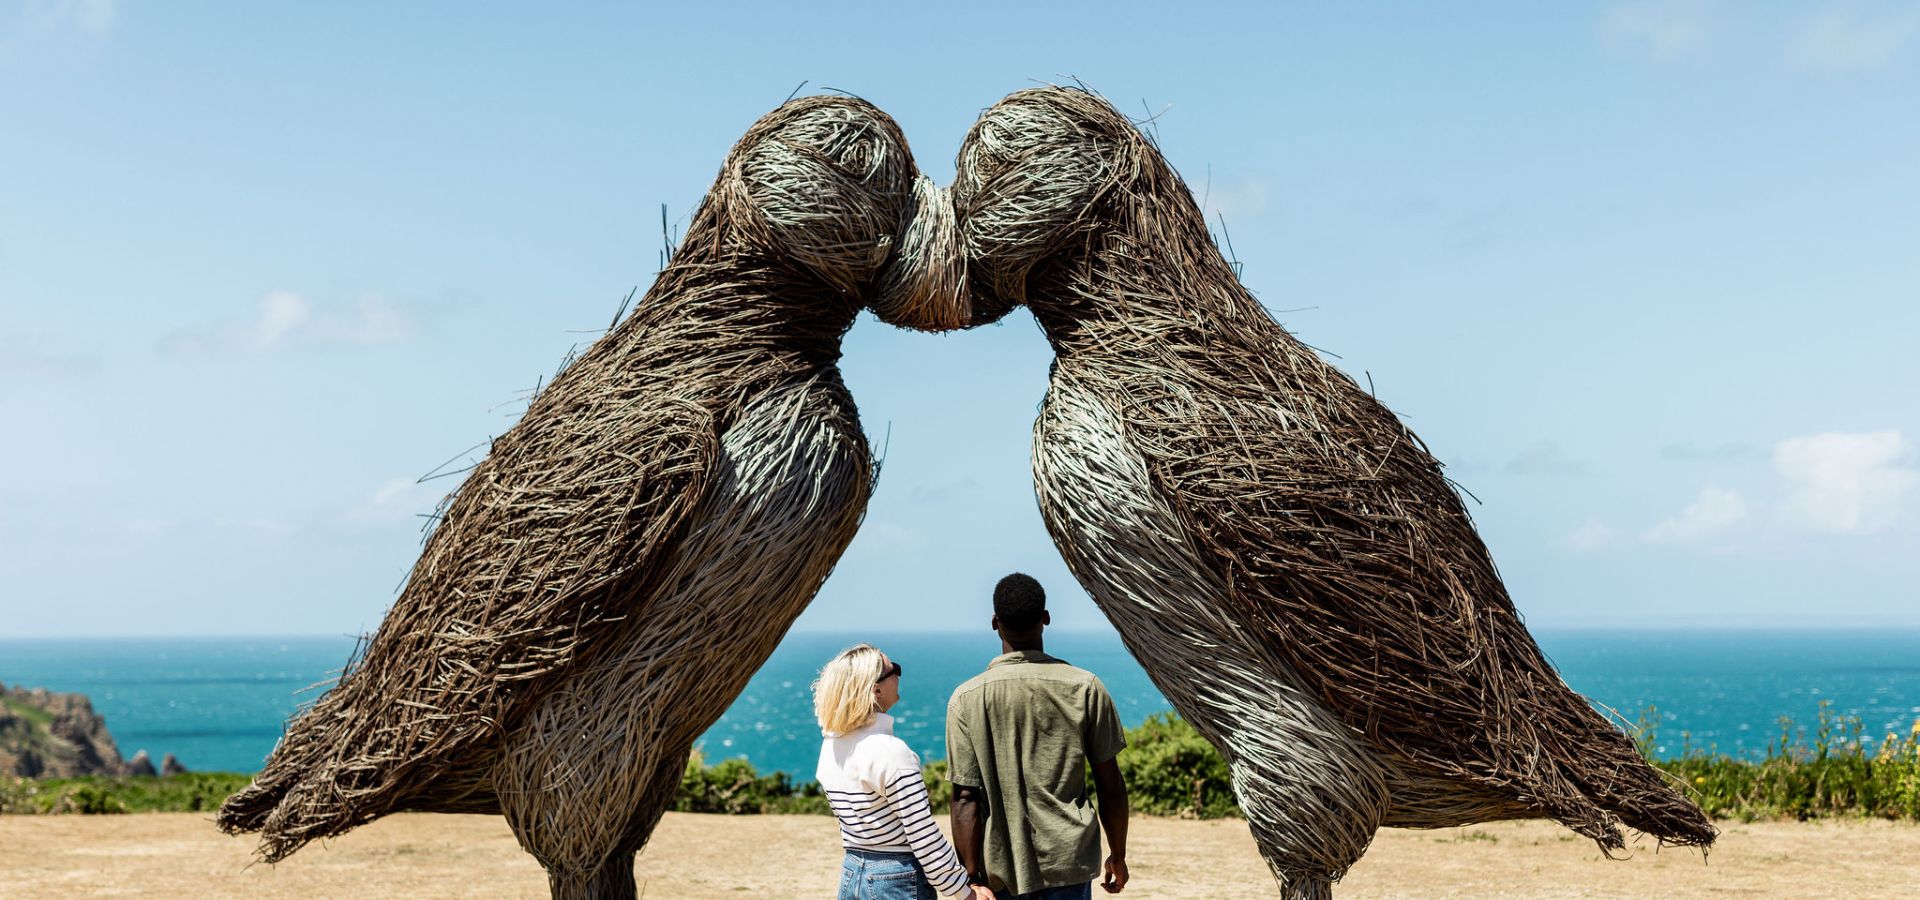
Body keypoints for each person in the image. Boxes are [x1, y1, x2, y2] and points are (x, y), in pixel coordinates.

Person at [946, 573, 1131, 899]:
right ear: (1045, 619)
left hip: (1001, 870)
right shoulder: (1084, 687)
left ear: (995, 623)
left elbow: (965, 797)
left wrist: (971, 877)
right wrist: (1118, 855)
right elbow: (1110, 783)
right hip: (1069, 862)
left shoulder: (966, 698)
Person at [815, 643, 996, 900]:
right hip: (896, 878)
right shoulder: (891, 752)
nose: (898, 676)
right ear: (876, 689)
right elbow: (923, 835)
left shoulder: (831, 746)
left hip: (852, 870)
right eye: (894, 670)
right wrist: (964, 891)